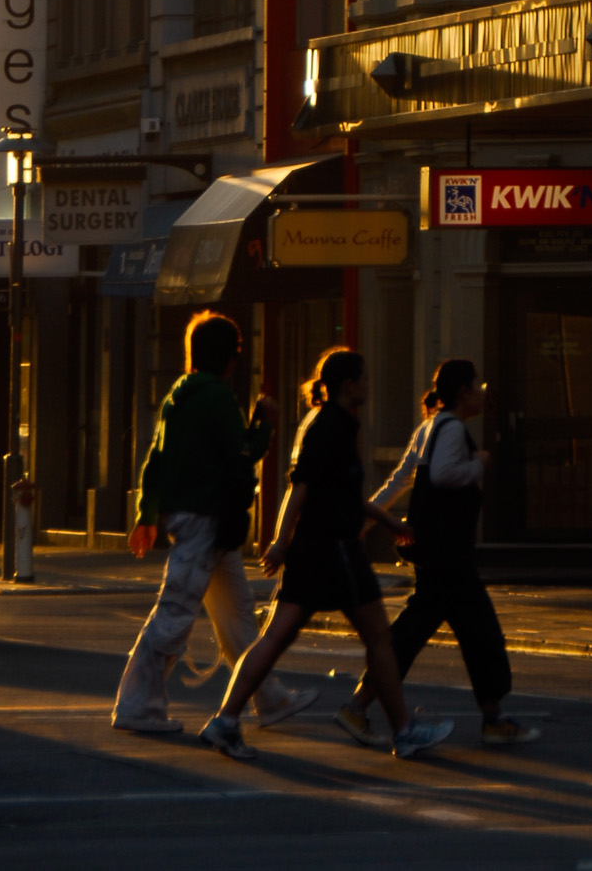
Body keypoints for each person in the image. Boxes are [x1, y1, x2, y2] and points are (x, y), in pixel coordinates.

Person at [197, 348, 452, 762]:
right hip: (334, 547)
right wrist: (280, 540)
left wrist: (390, 523)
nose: (369, 385)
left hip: (314, 548)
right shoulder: (330, 426)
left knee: (277, 636)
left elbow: (342, 491)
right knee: (379, 638)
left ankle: (225, 721)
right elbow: (302, 488)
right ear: (349, 385)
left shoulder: (323, 423)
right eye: (365, 379)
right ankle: (404, 730)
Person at [112, 311, 315, 737]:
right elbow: (242, 454)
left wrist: (146, 516)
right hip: (207, 518)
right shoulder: (217, 398)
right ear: (230, 357)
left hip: (192, 517)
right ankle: (138, 705)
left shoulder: (178, 394)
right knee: (176, 612)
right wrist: (266, 424)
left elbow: (155, 459)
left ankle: (269, 697)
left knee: (235, 613)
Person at [336, 358, 537, 751]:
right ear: (463, 392)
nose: (481, 391)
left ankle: (361, 705)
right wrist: (477, 465)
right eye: (476, 385)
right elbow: (445, 474)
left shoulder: (429, 427)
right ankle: (491, 720)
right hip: (449, 554)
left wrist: (367, 519)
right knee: (477, 634)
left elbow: (400, 479)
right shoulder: (451, 429)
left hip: (436, 552)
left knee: (432, 632)